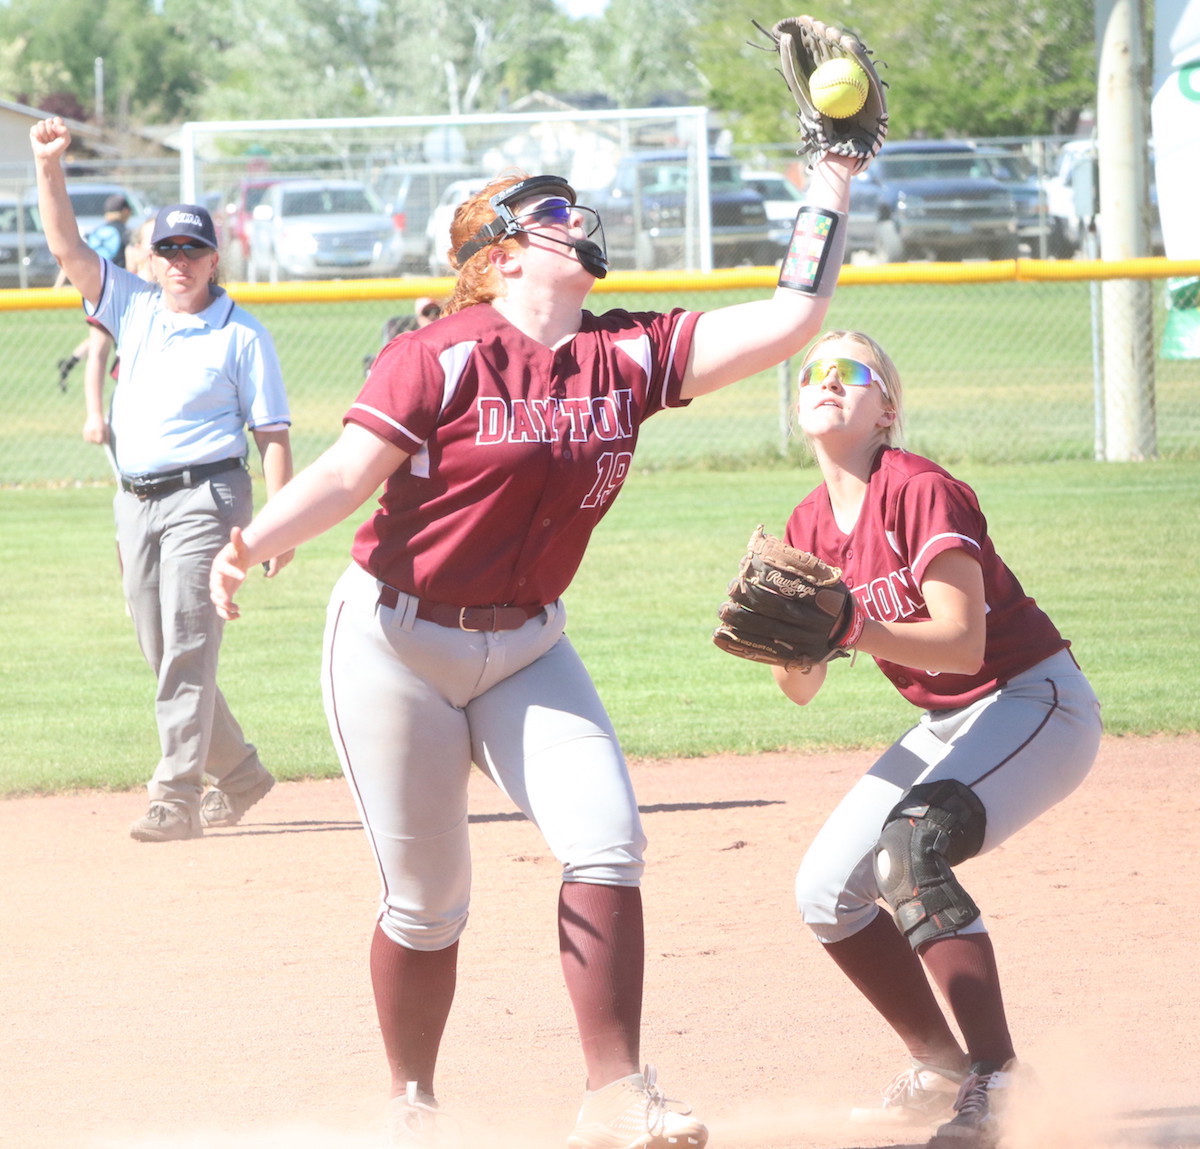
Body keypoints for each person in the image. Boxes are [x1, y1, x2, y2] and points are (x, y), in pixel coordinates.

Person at [208, 153, 863, 1148]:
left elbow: (791, 320)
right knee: (427, 906)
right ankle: (412, 1102)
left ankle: (617, 1092)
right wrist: (251, 542)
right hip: (394, 643)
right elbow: (347, 474)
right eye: (550, 212)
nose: (576, 219)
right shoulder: (438, 354)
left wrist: (832, 180)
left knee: (608, 839)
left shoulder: (627, 355)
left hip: (526, 645)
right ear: (501, 256)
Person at [768, 330, 1102, 1148]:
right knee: (824, 891)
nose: (826, 381)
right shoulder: (807, 524)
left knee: (912, 848)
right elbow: (802, 689)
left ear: (886, 408)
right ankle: (942, 1062)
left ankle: (998, 1074)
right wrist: (785, 638)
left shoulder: (922, 489)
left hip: (1034, 699)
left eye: (851, 372)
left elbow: (962, 644)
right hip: (950, 719)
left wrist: (851, 624)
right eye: (812, 372)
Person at [31, 116, 295, 843]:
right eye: (168, 248)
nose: (180, 260)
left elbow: (271, 433)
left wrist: (281, 522)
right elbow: (65, 247)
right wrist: (49, 166)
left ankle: (174, 794)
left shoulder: (242, 334)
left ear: (214, 259)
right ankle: (239, 770)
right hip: (134, 500)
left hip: (206, 496)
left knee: (186, 642)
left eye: (193, 249)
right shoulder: (132, 305)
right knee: (163, 649)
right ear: (148, 259)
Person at [81, 218, 155, 446]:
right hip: (133, 399)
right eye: (154, 242)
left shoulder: (184, 294)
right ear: (137, 249)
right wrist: (94, 414)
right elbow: (97, 355)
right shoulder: (122, 293)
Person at [55, 193, 136, 387]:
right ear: (125, 212)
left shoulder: (96, 232)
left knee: (101, 340)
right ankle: (99, 409)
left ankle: (71, 361)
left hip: (94, 294)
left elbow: (72, 261)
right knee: (103, 348)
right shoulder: (126, 233)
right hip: (118, 295)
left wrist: (57, 287)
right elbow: (131, 266)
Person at [362, 296, 443, 376]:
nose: (432, 316)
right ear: (418, 316)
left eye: (436, 312)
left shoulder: (444, 337)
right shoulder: (406, 338)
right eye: (427, 312)